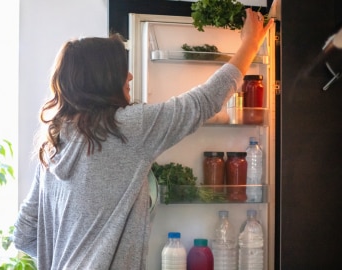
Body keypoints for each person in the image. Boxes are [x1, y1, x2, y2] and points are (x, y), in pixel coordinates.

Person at [14, 8, 273, 270]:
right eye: (121, 71)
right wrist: (250, 45)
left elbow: (24, 233)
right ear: (104, 80)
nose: (130, 76)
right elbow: (201, 102)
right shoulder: (125, 127)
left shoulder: (54, 143)